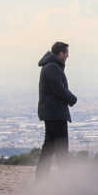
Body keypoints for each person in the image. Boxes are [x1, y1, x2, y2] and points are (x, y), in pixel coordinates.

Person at [37, 41, 78, 178]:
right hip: (55, 114)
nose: (68, 56)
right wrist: (72, 99)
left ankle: (42, 180)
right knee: (60, 148)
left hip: (52, 113)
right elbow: (58, 89)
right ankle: (64, 181)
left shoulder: (50, 66)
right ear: (61, 54)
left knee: (49, 148)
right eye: (66, 53)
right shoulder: (52, 68)